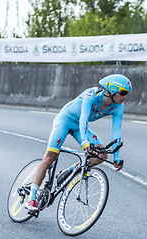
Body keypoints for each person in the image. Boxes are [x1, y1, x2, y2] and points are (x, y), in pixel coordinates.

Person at [25, 74, 132, 212]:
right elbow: (84, 118)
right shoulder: (91, 94)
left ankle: (68, 171)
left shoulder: (118, 107)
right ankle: (31, 199)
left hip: (79, 127)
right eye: (122, 93)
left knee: (102, 155)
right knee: (50, 157)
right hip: (65, 120)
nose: (125, 97)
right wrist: (85, 141)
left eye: (127, 94)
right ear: (112, 89)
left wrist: (116, 156)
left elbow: (116, 132)